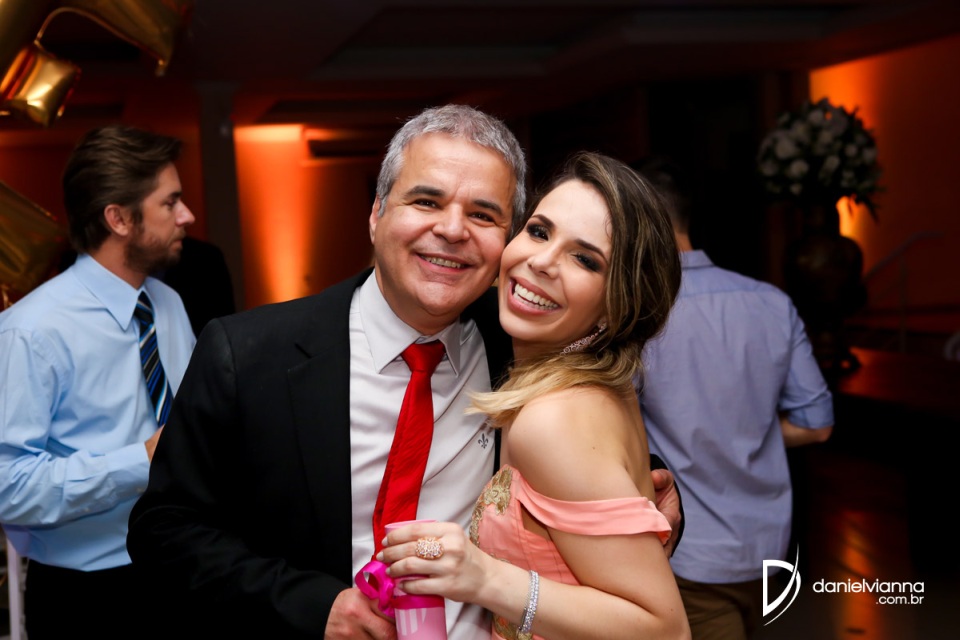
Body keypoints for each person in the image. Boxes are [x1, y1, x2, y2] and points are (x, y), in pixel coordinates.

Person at [126, 105, 683, 639]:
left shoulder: (520, 345)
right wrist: (314, 607)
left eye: (483, 214)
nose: (453, 229)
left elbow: (585, 460)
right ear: (377, 214)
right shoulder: (249, 355)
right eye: (426, 200)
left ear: (505, 238)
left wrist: (653, 491)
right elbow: (164, 530)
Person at [379, 151, 691, 640]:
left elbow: (665, 630)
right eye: (540, 232)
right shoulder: (591, 383)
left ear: (617, 305)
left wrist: (485, 578)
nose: (541, 262)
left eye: (585, 259)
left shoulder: (552, 419)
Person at [0, 124, 196, 639]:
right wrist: (142, 461)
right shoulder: (31, 331)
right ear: (119, 219)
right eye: (170, 202)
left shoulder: (168, 305)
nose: (186, 216)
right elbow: (7, 488)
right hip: (87, 598)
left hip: (183, 569)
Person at [634, 157, 834, 639]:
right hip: (769, 548)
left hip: (689, 551)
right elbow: (816, 425)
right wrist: (746, 430)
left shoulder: (641, 315)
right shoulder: (771, 301)